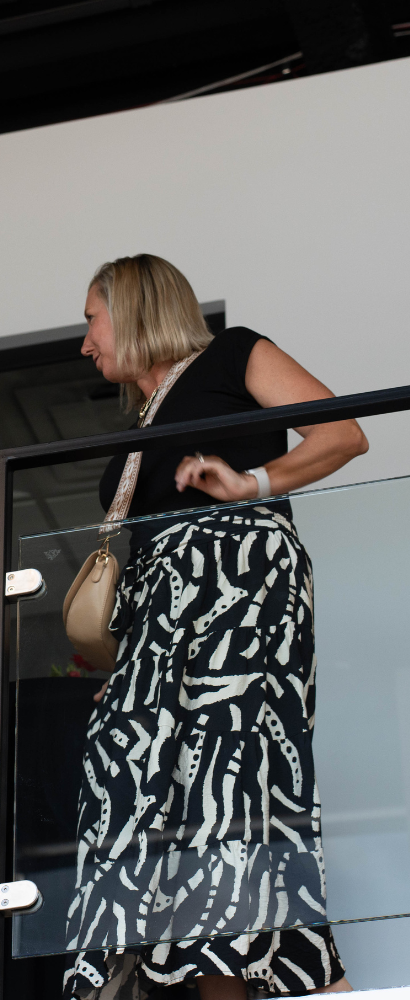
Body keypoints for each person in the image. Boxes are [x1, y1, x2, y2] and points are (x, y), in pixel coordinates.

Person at [62, 254, 365, 1000]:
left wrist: (250, 484)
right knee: (153, 797)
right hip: (163, 628)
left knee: (232, 791)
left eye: (92, 320)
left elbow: (344, 434)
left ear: (132, 309)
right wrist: (136, 673)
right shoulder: (139, 425)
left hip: (241, 596)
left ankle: (316, 979)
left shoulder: (233, 354)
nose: (85, 343)